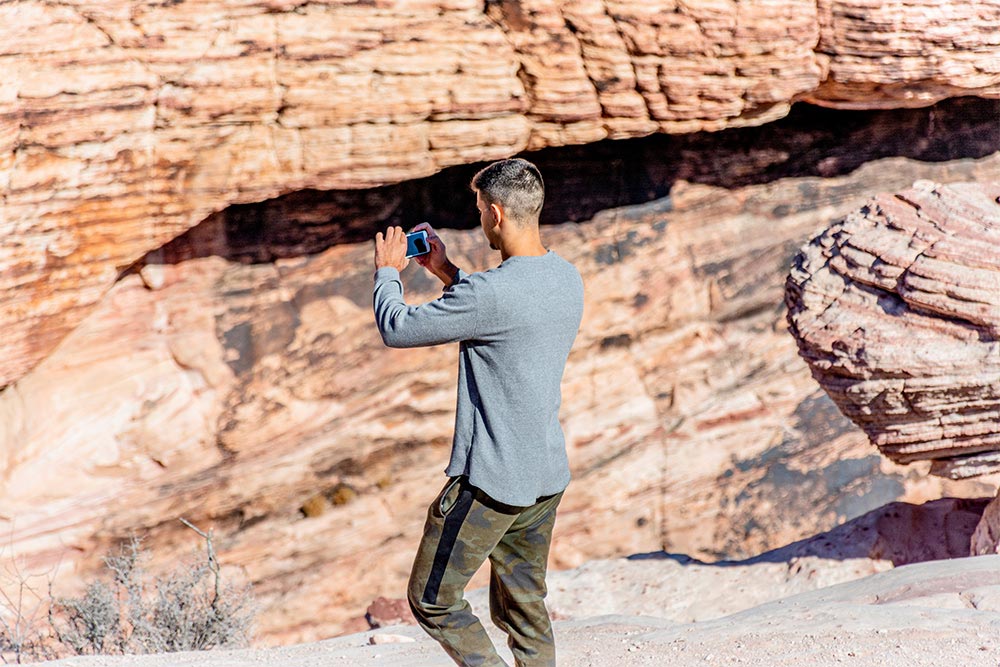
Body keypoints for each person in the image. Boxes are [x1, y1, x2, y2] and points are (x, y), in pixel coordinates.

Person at [371, 157, 584, 666]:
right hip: (545, 475)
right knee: (525, 607)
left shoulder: (491, 293)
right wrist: (445, 272)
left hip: (491, 483)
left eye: (478, 210)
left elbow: (397, 328)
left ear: (495, 212)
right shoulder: (566, 277)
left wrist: (387, 273)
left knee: (433, 600)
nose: (479, 220)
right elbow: (502, 312)